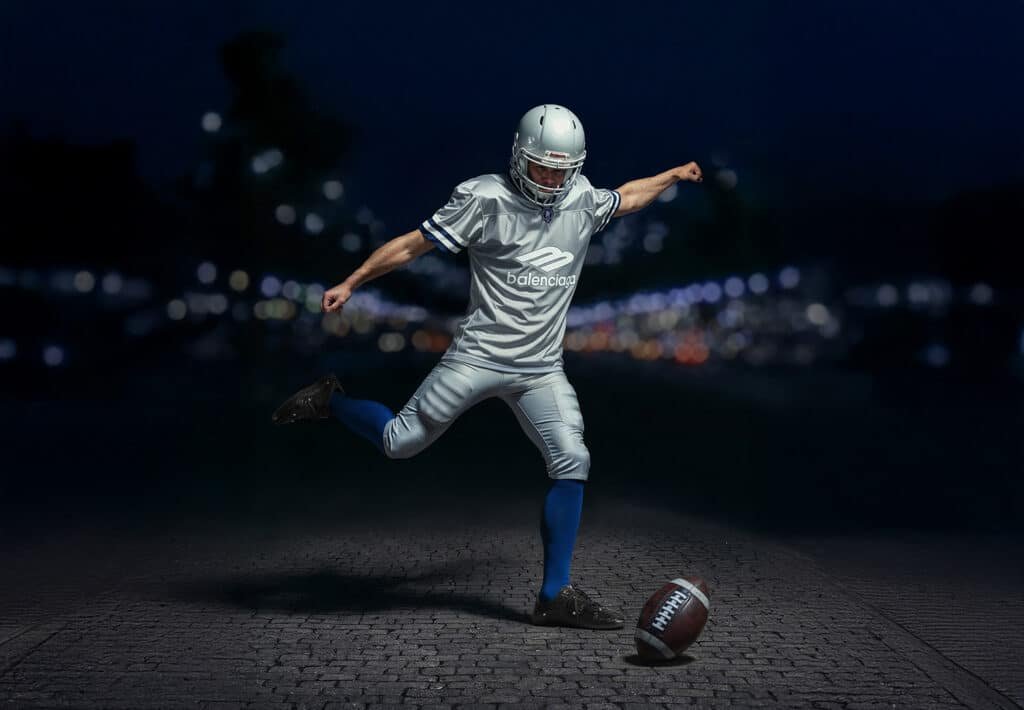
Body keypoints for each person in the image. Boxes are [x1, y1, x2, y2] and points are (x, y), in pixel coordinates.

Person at [273, 104, 703, 629]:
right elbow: (412, 245)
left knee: (573, 459)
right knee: (399, 443)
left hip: (541, 367)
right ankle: (330, 399)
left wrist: (673, 175)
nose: (550, 179)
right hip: (478, 356)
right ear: (519, 157)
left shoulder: (583, 199)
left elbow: (630, 195)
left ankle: (554, 594)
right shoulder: (483, 198)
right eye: (541, 167)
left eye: (560, 170)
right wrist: (353, 281)